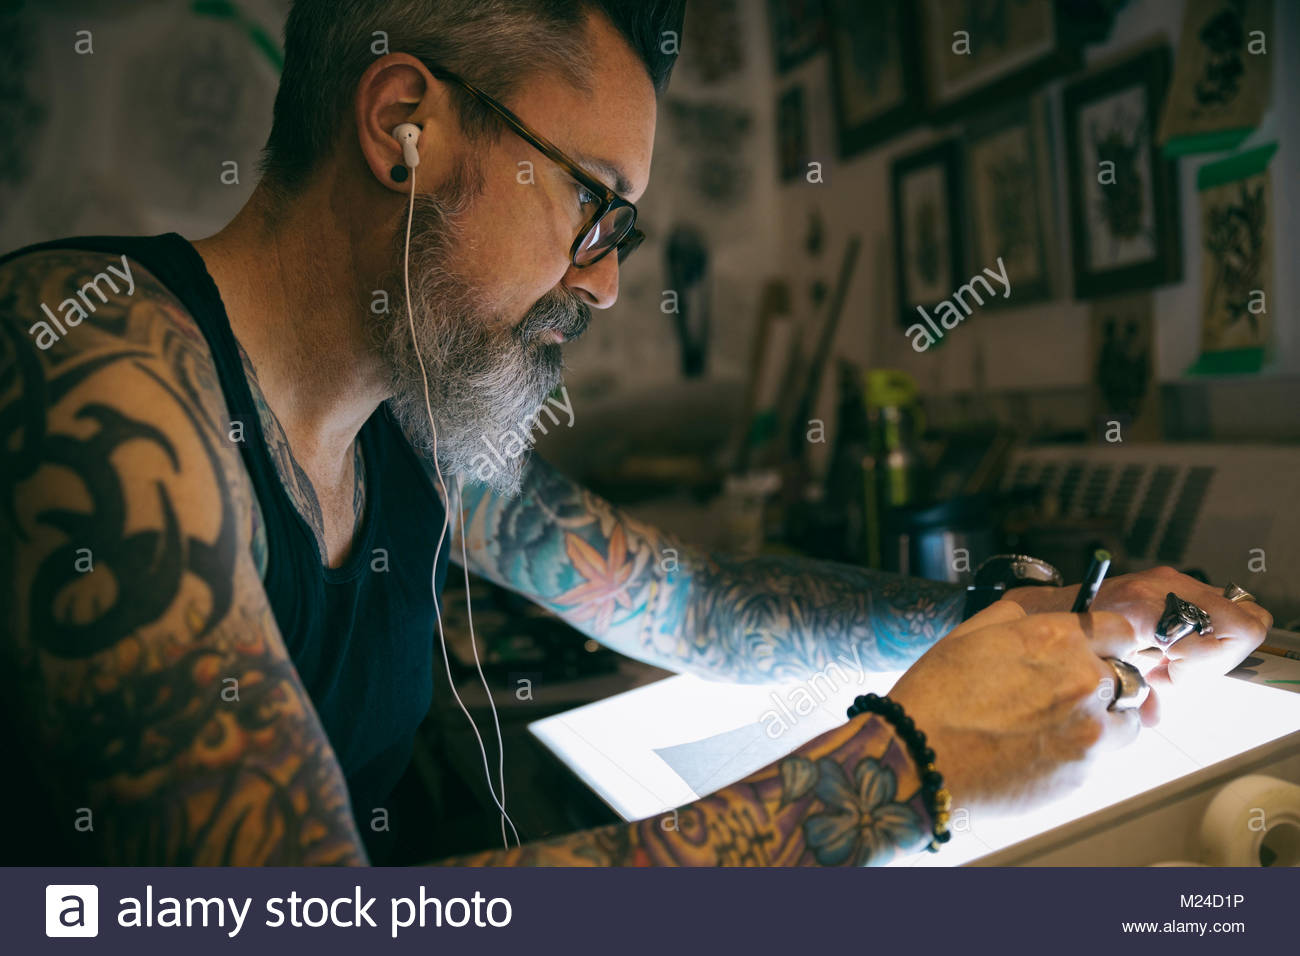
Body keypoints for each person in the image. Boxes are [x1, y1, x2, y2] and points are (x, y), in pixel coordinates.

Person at [0, 0, 1270, 866]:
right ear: (405, 124)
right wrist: (905, 767)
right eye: (596, 206)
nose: (604, 283)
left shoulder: (408, 421)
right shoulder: (90, 360)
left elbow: (700, 607)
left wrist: (1024, 624)